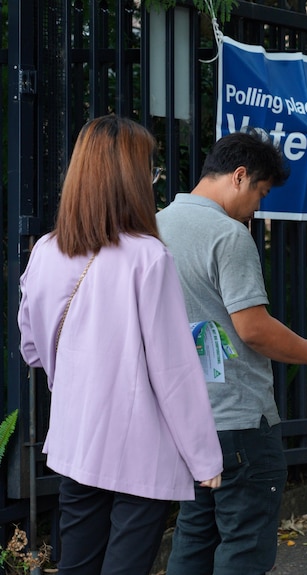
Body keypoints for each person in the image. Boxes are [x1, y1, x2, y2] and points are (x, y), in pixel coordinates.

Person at [17, 115, 223, 574]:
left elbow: (31, 348)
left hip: (75, 434)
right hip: (138, 443)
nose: (152, 181)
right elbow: (173, 371)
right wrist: (204, 455)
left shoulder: (47, 250)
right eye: (149, 170)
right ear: (130, 179)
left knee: (77, 564)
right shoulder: (148, 257)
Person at [158, 129, 307, 574]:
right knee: (243, 547)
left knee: (193, 541)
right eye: (260, 192)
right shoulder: (228, 235)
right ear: (239, 176)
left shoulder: (155, 225)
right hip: (238, 419)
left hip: (185, 416)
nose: (257, 206)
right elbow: (253, 329)